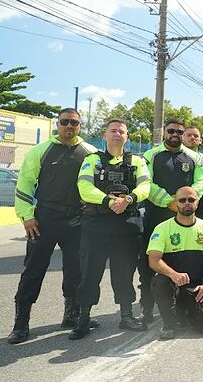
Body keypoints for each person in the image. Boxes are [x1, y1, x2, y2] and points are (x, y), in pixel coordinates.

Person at [7, 108, 98, 344]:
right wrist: (27, 216)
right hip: (44, 219)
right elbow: (25, 184)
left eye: (74, 123)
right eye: (65, 122)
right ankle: (21, 323)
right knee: (33, 270)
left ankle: (72, 315)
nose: (69, 126)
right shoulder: (41, 150)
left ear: (80, 126)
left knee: (75, 270)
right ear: (57, 124)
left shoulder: (90, 152)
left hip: (76, 220)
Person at [69, 119, 151, 340]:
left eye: (121, 131)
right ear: (105, 135)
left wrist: (129, 199)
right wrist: (108, 200)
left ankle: (126, 315)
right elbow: (84, 187)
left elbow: (145, 186)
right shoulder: (92, 160)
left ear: (127, 136)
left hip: (127, 225)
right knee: (89, 272)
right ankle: (83, 318)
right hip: (96, 225)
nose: (117, 134)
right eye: (112, 130)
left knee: (124, 272)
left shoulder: (137, 161)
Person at [138, 118, 203, 323]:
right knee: (149, 265)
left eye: (179, 131)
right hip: (156, 218)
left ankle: (182, 305)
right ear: (164, 133)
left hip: (185, 219)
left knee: (186, 262)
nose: (175, 134)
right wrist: (169, 201)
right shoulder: (150, 156)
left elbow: (201, 182)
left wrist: (183, 202)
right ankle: (147, 307)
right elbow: (145, 183)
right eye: (171, 131)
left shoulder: (195, 158)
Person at [147, 186, 203, 339]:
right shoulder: (162, 228)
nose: (187, 203)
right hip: (171, 283)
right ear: (175, 203)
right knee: (160, 281)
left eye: (191, 200)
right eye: (182, 200)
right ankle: (169, 323)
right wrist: (173, 274)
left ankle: (185, 310)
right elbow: (153, 261)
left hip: (195, 286)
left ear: (197, 202)